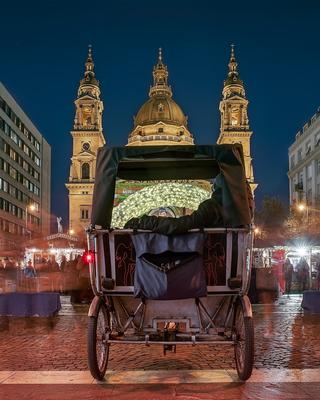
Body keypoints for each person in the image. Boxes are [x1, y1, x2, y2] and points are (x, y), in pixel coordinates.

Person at [125, 177, 253, 234]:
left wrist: (146, 222)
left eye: (215, 188)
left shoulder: (214, 209)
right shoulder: (242, 213)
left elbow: (184, 224)